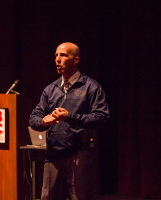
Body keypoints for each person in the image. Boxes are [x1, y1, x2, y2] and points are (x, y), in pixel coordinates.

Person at [29, 42, 110, 200]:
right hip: (54, 154)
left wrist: (70, 117)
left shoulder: (90, 87)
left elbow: (102, 117)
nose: (58, 59)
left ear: (76, 60)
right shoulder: (50, 89)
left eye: (63, 55)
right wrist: (44, 122)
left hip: (79, 154)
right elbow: (34, 118)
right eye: (56, 56)